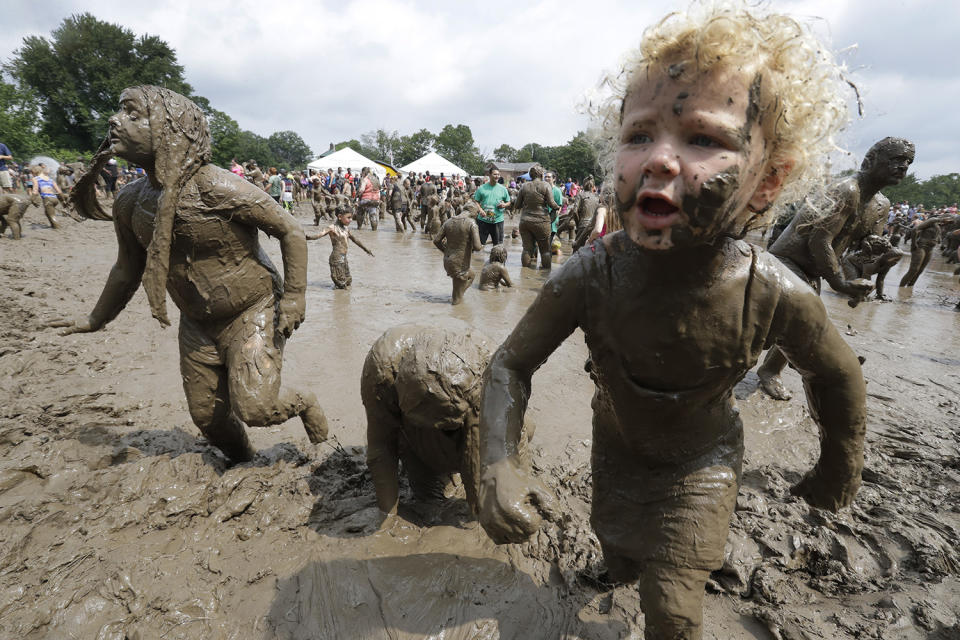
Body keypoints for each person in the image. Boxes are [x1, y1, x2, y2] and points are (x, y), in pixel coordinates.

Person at [474, 6, 865, 640]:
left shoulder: (772, 292)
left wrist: (838, 462)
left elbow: (837, 374)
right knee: (619, 546)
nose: (658, 160)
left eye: (703, 139)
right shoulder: (589, 274)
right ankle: (620, 559)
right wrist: (498, 462)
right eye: (638, 136)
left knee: (674, 606)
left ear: (769, 180)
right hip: (618, 442)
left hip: (703, 458)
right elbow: (510, 364)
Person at [52, 85, 328, 463]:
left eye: (133, 115)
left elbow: (291, 230)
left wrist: (296, 296)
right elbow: (127, 267)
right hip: (197, 321)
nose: (116, 121)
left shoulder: (215, 185)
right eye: (119, 113)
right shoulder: (131, 199)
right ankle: (244, 462)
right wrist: (95, 319)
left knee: (256, 408)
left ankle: (306, 403)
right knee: (206, 416)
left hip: (253, 308)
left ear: (170, 129)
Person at [757, 137, 914, 400]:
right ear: (870, 161)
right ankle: (803, 358)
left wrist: (872, 259)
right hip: (787, 260)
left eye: (908, 163)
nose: (903, 167)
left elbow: (859, 252)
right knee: (797, 314)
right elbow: (820, 240)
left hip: (813, 269)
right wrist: (840, 283)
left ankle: (774, 368)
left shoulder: (881, 205)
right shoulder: (846, 190)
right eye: (896, 160)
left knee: (798, 317)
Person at [362, 323, 496, 519]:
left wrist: (480, 512)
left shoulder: (488, 366)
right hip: (413, 431)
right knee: (424, 486)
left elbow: (475, 449)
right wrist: (387, 516)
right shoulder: (382, 368)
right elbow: (381, 444)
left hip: (473, 412)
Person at [306, 208, 374, 289]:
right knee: (341, 283)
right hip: (336, 259)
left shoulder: (346, 229)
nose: (351, 220)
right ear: (340, 217)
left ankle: (341, 298)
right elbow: (319, 234)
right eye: (348, 218)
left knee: (348, 281)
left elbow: (355, 240)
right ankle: (338, 298)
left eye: (351, 218)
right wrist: (308, 237)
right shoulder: (332, 228)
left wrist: (366, 249)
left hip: (344, 258)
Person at [433, 208, 482, 305]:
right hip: (460, 263)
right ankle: (456, 309)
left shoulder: (448, 221)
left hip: (448, 260)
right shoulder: (471, 223)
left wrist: (445, 251)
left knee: (471, 275)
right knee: (457, 300)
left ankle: (457, 295)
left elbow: (436, 241)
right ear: (473, 214)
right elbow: (477, 247)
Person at [515, 164, 559, 269]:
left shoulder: (524, 186)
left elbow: (517, 205)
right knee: (545, 250)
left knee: (526, 249)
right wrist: (557, 207)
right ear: (541, 174)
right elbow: (551, 203)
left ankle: (524, 274)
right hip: (542, 221)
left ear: (530, 175)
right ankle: (546, 274)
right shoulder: (546, 185)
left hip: (525, 221)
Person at [899, 213, 948, 287]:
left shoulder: (938, 227)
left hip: (930, 249)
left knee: (920, 270)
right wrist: (913, 243)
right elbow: (914, 230)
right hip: (921, 247)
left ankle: (910, 287)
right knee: (914, 269)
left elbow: (938, 239)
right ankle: (901, 287)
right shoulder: (931, 222)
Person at [473, 167, 510, 245]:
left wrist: (504, 205)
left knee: (498, 246)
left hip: (497, 221)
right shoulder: (482, 188)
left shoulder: (503, 189)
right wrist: (480, 210)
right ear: (489, 175)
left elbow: (508, 202)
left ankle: (495, 257)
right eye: (495, 174)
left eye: (498, 174)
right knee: (479, 244)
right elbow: (476, 201)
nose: (497, 176)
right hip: (483, 220)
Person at [31, 165, 63, 229]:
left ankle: (58, 229)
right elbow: (59, 191)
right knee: (47, 213)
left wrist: (33, 199)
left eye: (32, 173)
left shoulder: (35, 179)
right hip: (55, 199)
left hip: (47, 199)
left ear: (34, 172)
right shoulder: (50, 179)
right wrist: (63, 201)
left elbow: (35, 190)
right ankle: (53, 226)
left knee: (51, 215)